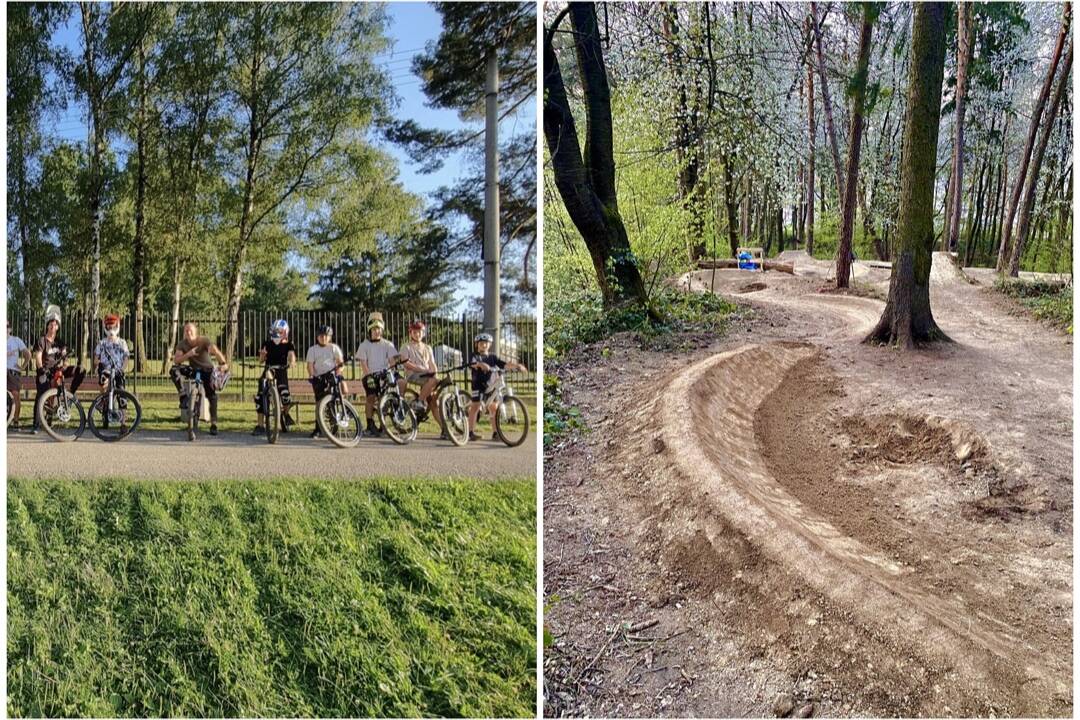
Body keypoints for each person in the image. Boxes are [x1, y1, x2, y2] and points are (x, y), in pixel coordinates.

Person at [170, 322, 229, 435]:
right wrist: (189, 354)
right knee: (174, 370)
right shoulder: (182, 344)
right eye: (186, 330)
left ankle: (214, 424)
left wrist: (223, 364)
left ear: (195, 332)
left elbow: (215, 351)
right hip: (194, 370)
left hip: (207, 370)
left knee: (212, 396)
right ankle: (183, 396)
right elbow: (176, 360)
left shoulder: (203, 340)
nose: (188, 332)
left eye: (190, 330)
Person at [32, 310, 86, 434]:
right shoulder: (41, 340)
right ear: (47, 325)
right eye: (51, 323)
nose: (53, 325)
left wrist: (64, 365)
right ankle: (36, 424)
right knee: (42, 393)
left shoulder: (60, 342)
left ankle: (70, 395)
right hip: (45, 371)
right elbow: (38, 357)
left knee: (81, 370)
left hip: (58, 369)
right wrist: (41, 370)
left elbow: (65, 358)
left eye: (55, 324)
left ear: (58, 327)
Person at [467, 333, 528, 441]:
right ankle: (470, 432)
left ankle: (496, 433)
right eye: (481, 343)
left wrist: (516, 366)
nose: (484, 345)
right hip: (478, 385)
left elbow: (503, 364)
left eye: (486, 343)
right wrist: (481, 365)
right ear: (477, 345)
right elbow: (473, 364)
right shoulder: (475, 356)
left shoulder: (493, 357)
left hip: (490, 385)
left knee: (494, 408)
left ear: (490, 345)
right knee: (475, 406)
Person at [355, 314, 398, 435]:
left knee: (384, 399)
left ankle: (383, 425)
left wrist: (392, 370)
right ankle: (369, 424)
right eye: (374, 329)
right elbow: (363, 363)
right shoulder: (364, 345)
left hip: (384, 374)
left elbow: (392, 361)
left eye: (378, 329)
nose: (377, 331)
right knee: (371, 397)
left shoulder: (388, 344)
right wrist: (369, 376)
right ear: (370, 330)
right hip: (370, 374)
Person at [253, 319, 297, 436]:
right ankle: (260, 425)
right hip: (269, 369)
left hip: (281, 370)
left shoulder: (289, 344)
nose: (276, 333)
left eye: (279, 331)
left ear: (285, 332)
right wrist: (262, 356)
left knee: (285, 395)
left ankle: (286, 414)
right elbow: (261, 361)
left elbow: (291, 355)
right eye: (274, 331)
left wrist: (291, 362)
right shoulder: (266, 343)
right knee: (260, 397)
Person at [399, 319, 443, 434]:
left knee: (434, 403)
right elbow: (405, 363)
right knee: (433, 381)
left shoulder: (428, 348)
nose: (417, 334)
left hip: (427, 378)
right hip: (413, 375)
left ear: (423, 333)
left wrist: (434, 372)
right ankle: (419, 401)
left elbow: (432, 364)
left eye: (419, 332)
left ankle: (444, 429)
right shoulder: (406, 347)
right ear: (410, 333)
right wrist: (422, 369)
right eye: (414, 332)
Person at [305, 325, 346, 438]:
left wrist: (338, 372)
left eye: (326, 336)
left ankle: (335, 425)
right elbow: (310, 366)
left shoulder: (334, 348)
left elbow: (340, 363)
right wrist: (313, 376)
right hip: (319, 377)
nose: (323, 338)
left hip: (332, 375)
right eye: (321, 336)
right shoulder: (312, 349)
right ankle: (318, 428)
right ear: (317, 337)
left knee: (334, 399)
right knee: (319, 403)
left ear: (330, 337)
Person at [93, 314, 131, 392]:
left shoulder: (122, 343)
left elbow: (126, 358)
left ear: (117, 326)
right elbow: (96, 359)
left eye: (113, 327)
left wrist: (122, 369)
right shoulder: (102, 343)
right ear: (106, 327)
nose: (111, 330)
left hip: (118, 371)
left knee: (121, 391)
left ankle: (121, 401)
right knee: (103, 382)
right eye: (109, 327)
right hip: (105, 371)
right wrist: (100, 366)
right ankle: (103, 400)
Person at [7, 321, 31, 428]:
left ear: (10, 329)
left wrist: (23, 366)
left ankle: (15, 421)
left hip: (12, 372)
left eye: (7, 326)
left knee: (16, 396)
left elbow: (28, 354)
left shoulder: (16, 340)